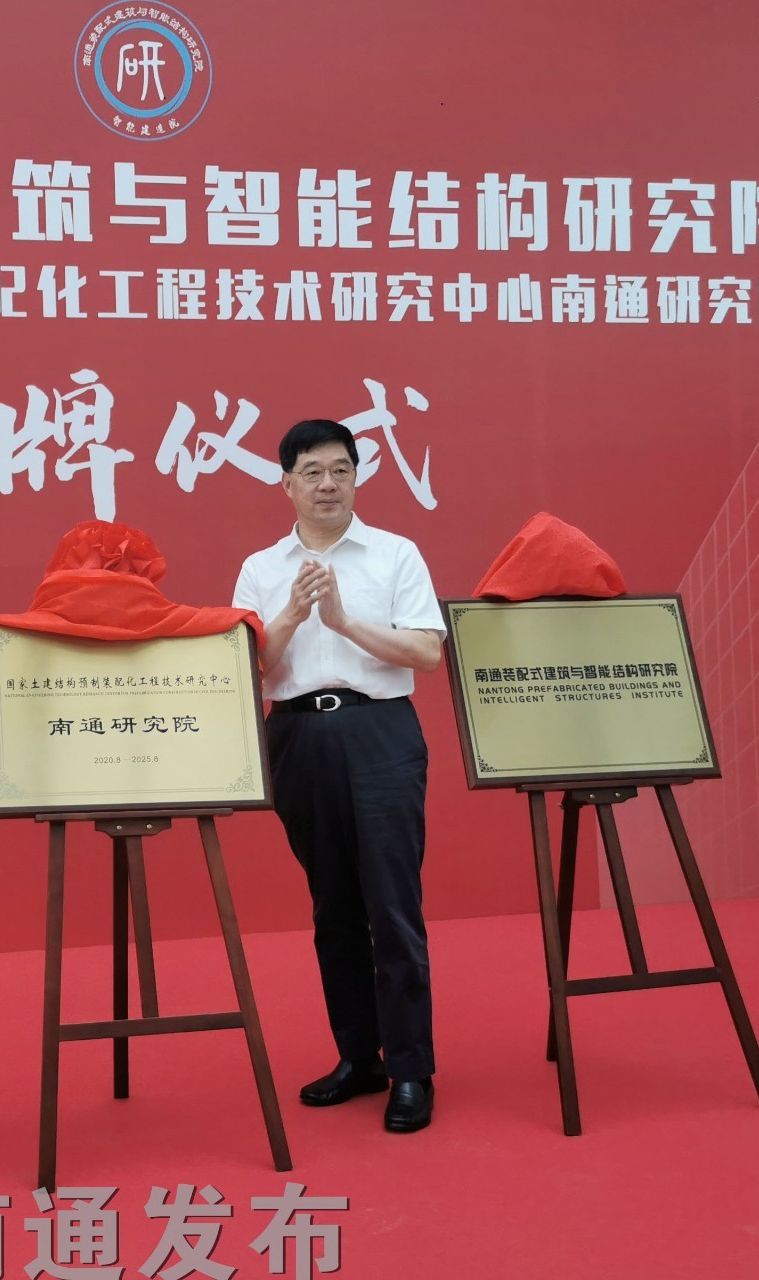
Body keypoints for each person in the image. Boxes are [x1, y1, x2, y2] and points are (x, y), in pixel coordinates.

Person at [232, 419, 446, 1134]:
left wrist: (344, 621)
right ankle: (360, 1057)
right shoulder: (261, 568)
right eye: (312, 473)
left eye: (340, 471)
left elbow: (426, 652)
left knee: (392, 905)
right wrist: (295, 613)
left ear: (356, 477)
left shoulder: (395, 554)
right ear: (286, 484)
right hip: (298, 737)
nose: (328, 484)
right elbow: (249, 665)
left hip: (379, 732)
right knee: (332, 907)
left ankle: (411, 1068)